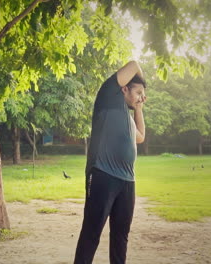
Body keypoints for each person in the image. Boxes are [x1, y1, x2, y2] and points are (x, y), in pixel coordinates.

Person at [74, 61, 147, 264]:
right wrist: (142, 79)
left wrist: (138, 107)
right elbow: (134, 65)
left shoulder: (127, 116)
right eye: (138, 92)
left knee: (120, 237)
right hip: (102, 175)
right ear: (124, 88)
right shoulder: (108, 96)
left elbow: (140, 137)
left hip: (127, 181)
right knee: (92, 233)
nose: (142, 96)